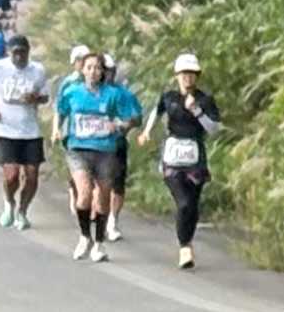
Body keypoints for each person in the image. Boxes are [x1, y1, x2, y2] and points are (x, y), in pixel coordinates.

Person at [58, 49, 144, 262]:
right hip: (78, 148)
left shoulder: (114, 94)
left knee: (103, 198)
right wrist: (59, 129)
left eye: (98, 68)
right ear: (82, 70)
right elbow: (61, 110)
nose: (93, 72)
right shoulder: (71, 91)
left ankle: (99, 243)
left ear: (103, 72)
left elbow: (134, 117)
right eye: (89, 67)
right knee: (85, 193)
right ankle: (84, 236)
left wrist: (122, 125)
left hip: (106, 150)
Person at [153, 54, 226, 270]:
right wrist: (146, 133)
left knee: (192, 206)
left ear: (197, 76)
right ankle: (184, 247)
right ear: (177, 76)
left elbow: (213, 129)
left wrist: (197, 111)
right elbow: (155, 115)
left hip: (195, 158)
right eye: (184, 74)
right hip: (173, 157)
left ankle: (188, 239)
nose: (188, 78)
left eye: (192, 74)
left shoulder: (205, 100)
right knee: (183, 203)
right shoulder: (169, 98)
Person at [0, 31, 54, 231]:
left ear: (29, 52)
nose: (19, 57)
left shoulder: (37, 70)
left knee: (31, 176)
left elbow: (45, 96)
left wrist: (35, 98)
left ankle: (22, 210)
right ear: (8, 52)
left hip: (30, 130)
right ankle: (8, 203)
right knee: (11, 175)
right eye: (15, 53)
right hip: (5, 129)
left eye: (23, 52)